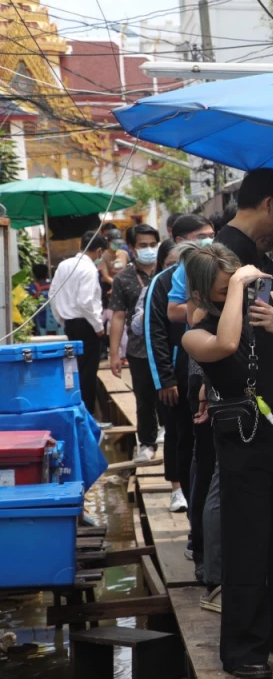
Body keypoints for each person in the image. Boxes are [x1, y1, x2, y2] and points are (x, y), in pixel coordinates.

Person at [183, 169, 273, 679]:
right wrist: (236, 291)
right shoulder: (199, 329)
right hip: (239, 440)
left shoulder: (267, 294)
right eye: (222, 282)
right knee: (248, 544)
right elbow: (227, 344)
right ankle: (244, 650)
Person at [147, 214, 216, 513]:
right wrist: (164, 378)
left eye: (212, 234)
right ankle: (181, 493)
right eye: (201, 236)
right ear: (180, 240)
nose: (208, 241)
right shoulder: (164, 281)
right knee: (180, 436)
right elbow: (155, 332)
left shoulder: (214, 270)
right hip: (178, 371)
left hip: (202, 368)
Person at [109, 224, 162, 463]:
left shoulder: (168, 272)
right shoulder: (123, 279)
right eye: (143, 245)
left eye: (153, 244)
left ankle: (169, 435)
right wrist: (114, 354)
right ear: (131, 248)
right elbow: (118, 316)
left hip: (166, 348)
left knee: (170, 395)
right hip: (139, 349)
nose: (149, 249)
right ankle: (147, 444)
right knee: (144, 399)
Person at [51, 233, 110, 419]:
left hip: (70, 323)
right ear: (99, 250)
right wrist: (98, 326)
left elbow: (52, 294)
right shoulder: (89, 269)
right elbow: (86, 302)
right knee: (87, 371)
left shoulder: (63, 265)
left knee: (74, 369)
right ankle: (88, 415)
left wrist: (62, 319)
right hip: (86, 324)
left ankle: (78, 411)